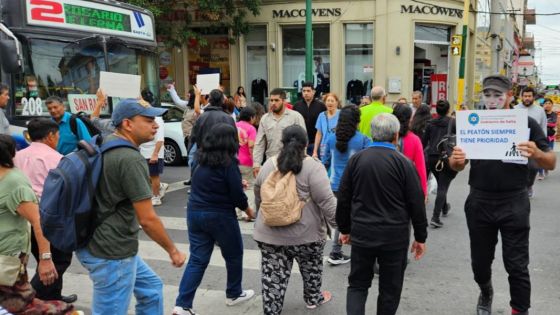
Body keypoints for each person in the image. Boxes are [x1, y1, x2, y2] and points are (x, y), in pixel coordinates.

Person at [449, 75, 556, 315]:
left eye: (498, 95)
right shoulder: (471, 123)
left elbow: (550, 162)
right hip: (479, 201)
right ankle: (485, 290)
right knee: (480, 262)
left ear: (510, 96)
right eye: (487, 95)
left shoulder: (526, 123)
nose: (492, 100)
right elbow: (457, 165)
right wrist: (456, 161)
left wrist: (537, 153)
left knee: (517, 265)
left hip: (514, 201)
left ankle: (519, 309)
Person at [76, 99, 186, 315]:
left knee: (151, 289)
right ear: (127, 124)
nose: (155, 125)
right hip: (111, 251)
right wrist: (173, 250)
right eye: (148, 120)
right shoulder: (129, 158)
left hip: (100, 241)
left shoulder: (106, 141)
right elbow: (148, 219)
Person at [336, 113, 427, 315]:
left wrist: (344, 229)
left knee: (358, 285)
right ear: (396, 136)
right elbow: (416, 203)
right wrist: (420, 237)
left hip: (362, 233)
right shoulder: (404, 164)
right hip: (394, 237)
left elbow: (343, 199)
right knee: (390, 289)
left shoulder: (356, 161)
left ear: (373, 134)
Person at [253, 125, 337, 314]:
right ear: (306, 143)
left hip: (270, 236)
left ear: (282, 143)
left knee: (272, 275)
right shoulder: (314, 167)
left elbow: (259, 194)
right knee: (312, 267)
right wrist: (342, 229)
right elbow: (327, 202)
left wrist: (262, 214)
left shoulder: (269, 165)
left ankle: (272, 309)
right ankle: (313, 298)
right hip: (307, 236)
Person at [174, 123, 255, 315]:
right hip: (219, 215)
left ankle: (182, 305)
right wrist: (248, 210)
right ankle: (234, 293)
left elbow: (204, 183)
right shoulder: (229, 162)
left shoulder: (199, 159)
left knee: (197, 259)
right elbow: (236, 195)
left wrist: (235, 182)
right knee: (234, 254)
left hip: (195, 212)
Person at [0, 135, 75, 314]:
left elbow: (37, 220)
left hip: (7, 258)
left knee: (22, 305)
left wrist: (46, 259)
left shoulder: (15, 184)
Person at [321, 105, 371, 265]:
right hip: (356, 186)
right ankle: (344, 252)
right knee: (358, 217)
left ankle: (336, 251)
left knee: (342, 218)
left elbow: (325, 162)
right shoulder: (363, 140)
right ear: (357, 121)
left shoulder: (330, 138)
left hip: (335, 184)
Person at [253, 88, 306, 177]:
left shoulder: (296, 117)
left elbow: (303, 141)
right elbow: (259, 143)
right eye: (271, 100)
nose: (273, 103)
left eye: (276, 100)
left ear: (284, 101)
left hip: (291, 163)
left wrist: (302, 161)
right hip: (271, 162)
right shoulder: (265, 118)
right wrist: (256, 164)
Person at [422, 100, 457, 227]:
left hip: (432, 158)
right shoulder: (453, 122)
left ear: (436, 110)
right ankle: (435, 218)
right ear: (448, 110)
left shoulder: (430, 123)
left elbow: (424, 143)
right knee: (443, 186)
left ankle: (444, 208)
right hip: (447, 157)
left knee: (442, 183)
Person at [514, 87, 547, 198]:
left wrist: (543, 145)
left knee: (533, 167)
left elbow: (543, 127)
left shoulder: (540, 110)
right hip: (517, 145)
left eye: (529, 96)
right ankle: (517, 188)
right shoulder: (514, 109)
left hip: (533, 145)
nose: (527, 98)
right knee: (515, 168)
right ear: (521, 97)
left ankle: (529, 185)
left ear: (533, 97)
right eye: (525, 96)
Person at [392, 103, 428, 197]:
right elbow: (421, 169)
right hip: (407, 187)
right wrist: (423, 192)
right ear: (410, 119)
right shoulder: (414, 140)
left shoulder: (387, 136)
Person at [140, 116, 168, 206]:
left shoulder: (157, 119)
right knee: (146, 176)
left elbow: (160, 139)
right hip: (143, 151)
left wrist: (155, 154)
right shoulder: (141, 118)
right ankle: (160, 186)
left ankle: (156, 197)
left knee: (154, 176)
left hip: (153, 153)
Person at [235, 106, 257, 220]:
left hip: (234, 160)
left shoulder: (234, 125)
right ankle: (247, 214)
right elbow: (251, 146)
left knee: (237, 186)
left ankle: (237, 212)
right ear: (251, 117)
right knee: (249, 186)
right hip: (247, 161)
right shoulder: (251, 128)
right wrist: (255, 163)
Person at [293, 82, 327, 155]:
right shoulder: (296, 106)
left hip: (316, 143)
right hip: (300, 143)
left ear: (313, 92)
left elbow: (324, 124)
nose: (306, 93)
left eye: (308, 91)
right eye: (304, 91)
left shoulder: (321, 106)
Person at [312, 93, 340, 160]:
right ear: (325, 103)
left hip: (338, 147)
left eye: (332, 101)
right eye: (328, 100)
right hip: (324, 147)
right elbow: (319, 134)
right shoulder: (321, 115)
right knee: (325, 167)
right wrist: (315, 151)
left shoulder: (342, 114)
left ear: (337, 103)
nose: (330, 103)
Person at [539, 98, 557, 178]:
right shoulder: (540, 113)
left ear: (552, 105)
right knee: (540, 155)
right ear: (543, 105)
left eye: (549, 103)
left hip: (550, 138)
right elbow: (538, 123)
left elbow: (553, 124)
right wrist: (546, 124)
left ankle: (546, 167)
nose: (547, 105)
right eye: (546, 103)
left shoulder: (554, 114)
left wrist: (544, 123)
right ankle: (540, 173)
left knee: (548, 155)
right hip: (540, 137)